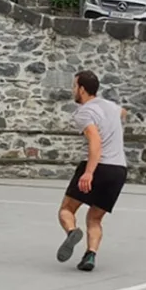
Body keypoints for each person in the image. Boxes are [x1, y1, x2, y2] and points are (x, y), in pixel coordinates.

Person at [56, 70, 128, 272]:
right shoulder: (111, 106)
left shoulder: (84, 113)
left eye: (74, 86)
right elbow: (124, 112)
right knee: (95, 218)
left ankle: (72, 231)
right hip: (118, 170)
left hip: (98, 166)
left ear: (82, 89)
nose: (72, 90)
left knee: (66, 210)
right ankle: (90, 255)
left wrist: (89, 172)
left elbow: (95, 141)